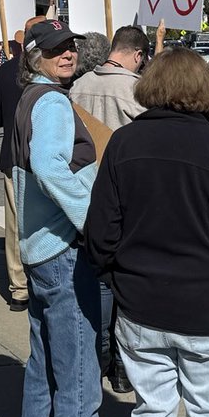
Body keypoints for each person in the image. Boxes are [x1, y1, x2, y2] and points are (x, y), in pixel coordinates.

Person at [85, 47, 209, 417]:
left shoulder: (122, 143)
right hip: (207, 307)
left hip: (141, 305)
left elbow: (100, 236)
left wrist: (116, 278)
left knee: (152, 415)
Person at [12, 19, 102, 417]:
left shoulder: (31, 96)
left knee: (43, 368)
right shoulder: (50, 101)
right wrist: (92, 220)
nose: (67, 54)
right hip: (62, 249)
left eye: (70, 46)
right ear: (35, 57)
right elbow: (49, 168)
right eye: (55, 49)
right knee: (79, 381)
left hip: (40, 248)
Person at [70, 24, 152, 395]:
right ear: (136, 55)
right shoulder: (133, 89)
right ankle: (120, 365)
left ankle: (97, 358)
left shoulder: (78, 85)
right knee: (123, 286)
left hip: (84, 192)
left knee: (96, 278)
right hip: (127, 195)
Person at [0, 16, 43, 313]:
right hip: (42, 157)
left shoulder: (6, 70)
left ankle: (18, 288)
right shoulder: (53, 72)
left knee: (14, 227)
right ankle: (36, 282)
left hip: (12, 157)